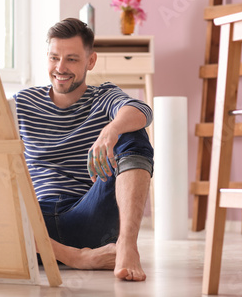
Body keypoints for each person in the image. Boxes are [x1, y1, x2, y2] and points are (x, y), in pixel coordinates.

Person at [14, 18, 154, 281]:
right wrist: (75, 258)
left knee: (132, 130)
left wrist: (110, 130)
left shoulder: (103, 96)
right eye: (54, 58)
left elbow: (142, 111)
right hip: (33, 226)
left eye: (72, 59)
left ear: (90, 61)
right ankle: (71, 256)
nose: (60, 68)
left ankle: (127, 245)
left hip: (88, 218)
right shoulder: (23, 102)